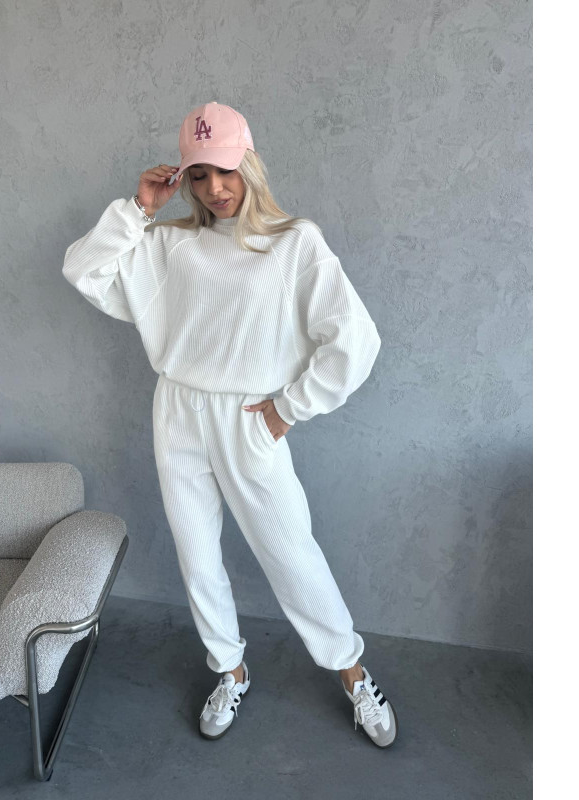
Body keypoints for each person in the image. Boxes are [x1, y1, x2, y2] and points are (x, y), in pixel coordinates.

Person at [61, 101, 397, 748]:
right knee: (197, 555)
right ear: (184, 179)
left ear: (249, 164)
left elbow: (356, 340)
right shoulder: (171, 245)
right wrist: (139, 210)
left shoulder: (294, 242)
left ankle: (352, 673)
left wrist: (287, 408)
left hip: (249, 417)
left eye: (225, 171)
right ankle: (229, 669)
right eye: (199, 175)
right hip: (178, 410)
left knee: (291, 551)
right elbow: (83, 268)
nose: (215, 188)